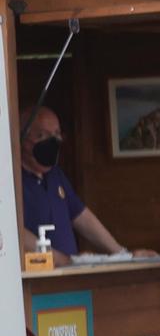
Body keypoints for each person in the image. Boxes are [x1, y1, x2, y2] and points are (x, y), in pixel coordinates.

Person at [18, 104, 152, 262]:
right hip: (35, 281)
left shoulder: (56, 175)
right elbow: (12, 231)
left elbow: (81, 216)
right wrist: (63, 260)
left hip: (72, 277)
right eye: (43, 135)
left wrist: (122, 254)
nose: (53, 141)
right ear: (23, 139)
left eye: (56, 134)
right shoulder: (10, 180)